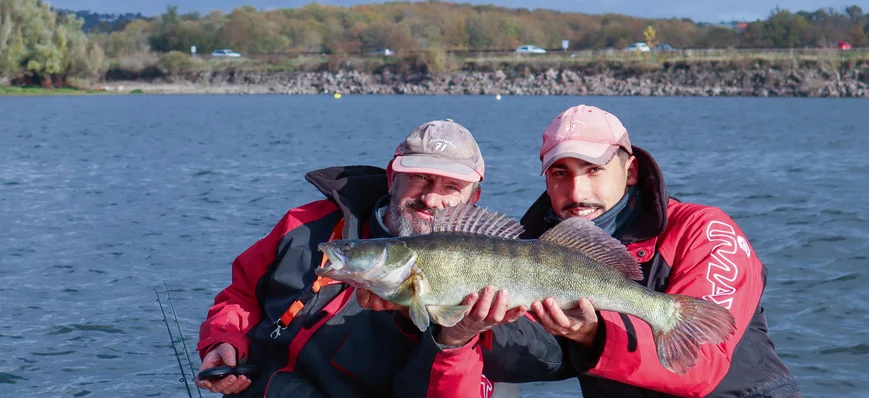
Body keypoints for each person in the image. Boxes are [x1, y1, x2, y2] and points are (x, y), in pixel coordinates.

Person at [194, 119, 558, 398]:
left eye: (451, 187)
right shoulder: (306, 224)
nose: (431, 199)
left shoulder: (491, 279)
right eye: (419, 178)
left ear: (473, 199)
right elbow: (241, 294)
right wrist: (223, 341)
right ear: (391, 177)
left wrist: (458, 335)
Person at [518, 105, 801, 397]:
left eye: (594, 170)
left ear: (631, 171)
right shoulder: (534, 252)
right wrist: (469, 331)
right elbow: (524, 354)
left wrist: (596, 334)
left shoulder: (704, 229)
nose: (577, 192)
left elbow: (700, 362)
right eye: (560, 173)